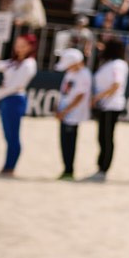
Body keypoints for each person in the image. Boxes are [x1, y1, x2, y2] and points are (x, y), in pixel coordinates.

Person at [0, 32, 39, 175]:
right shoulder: (13, 62)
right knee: (7, 135)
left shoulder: (29, 64)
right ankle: (7, 166)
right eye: (17, 45)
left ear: (30, 47)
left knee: (13, 136)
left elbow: (15, 86)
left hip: (15, 100)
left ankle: (10, 167)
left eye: (23, 45)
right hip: (6, 99)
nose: (19, 48)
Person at [89, 39, 129, 183]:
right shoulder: (109, 64)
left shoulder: (118, 64)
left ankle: (104, 169)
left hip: (111, 105)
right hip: (104, 105)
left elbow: (116, 85)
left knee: (106, 137)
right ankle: (100, 167)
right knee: (102, 137)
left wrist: (97, 98)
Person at [55, 47, 92, 180]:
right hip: (65, 112)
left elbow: (80, 96)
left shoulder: (84, 74)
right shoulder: (70, 73)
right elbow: (65, 92)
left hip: (73, 115)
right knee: (64, 142)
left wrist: (65, 110)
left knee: (69, 143)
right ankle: (66, 169)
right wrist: (60, 108)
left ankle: (69, 170)